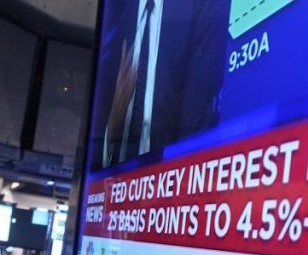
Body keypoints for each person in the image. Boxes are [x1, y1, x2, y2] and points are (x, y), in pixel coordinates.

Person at [92, 0, 228, 169]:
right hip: (114, 185)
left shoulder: (201, 8)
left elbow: (196, 120)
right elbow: (97, 137)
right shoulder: (116, 13)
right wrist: (112, 126)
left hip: (167, 179)